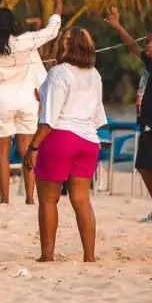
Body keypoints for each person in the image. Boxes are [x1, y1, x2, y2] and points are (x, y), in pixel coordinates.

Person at [0, 0, 63, 205]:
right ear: (12, 25)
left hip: (0, 104)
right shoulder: (24, 41)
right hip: (26, 101)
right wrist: (58, 7)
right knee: (27, 150)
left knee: (2, 156)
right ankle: (30, 198)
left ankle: (4, 200)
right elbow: (52, 31)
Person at [28, 26, 106, 263]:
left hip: (61, 138)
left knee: (49, 200)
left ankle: (47, 255)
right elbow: (97, 115)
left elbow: (50, 118)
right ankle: (89, 256)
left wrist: (33, 147)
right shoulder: (95, 74)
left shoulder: (58, 72)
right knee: (82, 200)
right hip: (88, 140)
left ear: (65, 47)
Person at [103, 7, 152, 224]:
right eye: (148, 41)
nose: (148, 45)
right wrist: (117, 26)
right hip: (146, 124)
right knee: (143, 167)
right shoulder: (150, 64)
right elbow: (132, 46)